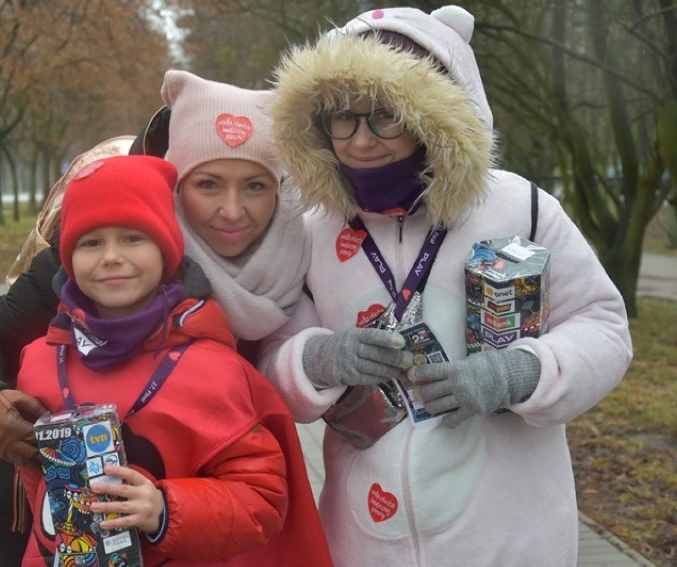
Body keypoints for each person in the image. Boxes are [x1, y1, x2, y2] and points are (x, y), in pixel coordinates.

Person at [258, 5, 633, 565]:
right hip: (363, 537)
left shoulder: (521, 207)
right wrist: (321, 360)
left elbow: (604, 327)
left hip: (507, 534)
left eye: (385, 115)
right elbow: (268, 355)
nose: (360, 141)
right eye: (343, 116)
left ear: (434, 113)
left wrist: (517, 373)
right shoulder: (309, 227)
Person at [0, 70, 313, 564]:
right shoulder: (105, 258)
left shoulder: (295, 257)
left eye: (256, 185)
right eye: (207, 184)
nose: (231, 209)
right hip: (33, 494)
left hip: (187, 510)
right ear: (175, 186)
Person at [15, 154, 328, 566]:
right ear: (69, 258)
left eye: (132, 238)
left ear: (167, 253)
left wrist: (164, 509)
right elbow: (38, 487)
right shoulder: (38, 361)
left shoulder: (214, 370)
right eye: (91, 243)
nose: (110, 256)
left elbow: (263, 499)